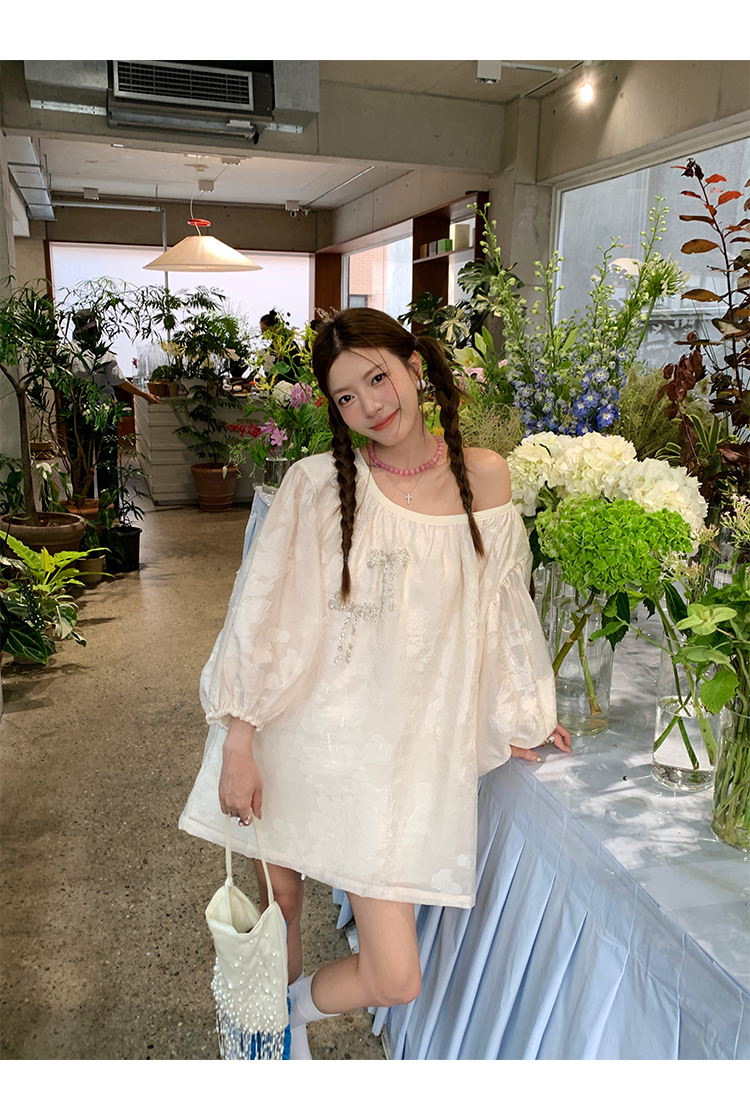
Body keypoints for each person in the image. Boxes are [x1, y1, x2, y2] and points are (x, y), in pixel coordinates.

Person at [179, 307, 571, 1060]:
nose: (369, 404)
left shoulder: (485, 476)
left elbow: (502, 609)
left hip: (385, 769)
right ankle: (268, 1061)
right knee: (281, 905)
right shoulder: (317, 484)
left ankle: (277, 1015)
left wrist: (524, 711)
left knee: (395, 976)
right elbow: (263, 612)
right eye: (346, 397)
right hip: (295, 738)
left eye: (377, 378)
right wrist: (239, 740)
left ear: (414, 366)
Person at [65, 311, 159, 501]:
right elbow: (120, 382)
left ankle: (83, 505)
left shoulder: (66, 352)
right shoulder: (104, 354)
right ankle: (108, 505)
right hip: (104, 414)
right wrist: (145, 395)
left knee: (79, 463)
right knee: (106, 462)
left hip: (76, 414)